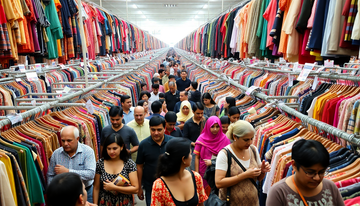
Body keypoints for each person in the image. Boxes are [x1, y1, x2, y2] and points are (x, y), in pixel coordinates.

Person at [266, 139, 345, 206]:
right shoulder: (279, 193)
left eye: (322, 172)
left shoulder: (330, 187)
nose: (317, 178)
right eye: (310, 172)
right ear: (294, 165)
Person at [215, 120, 271, 206]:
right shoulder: (225, 154)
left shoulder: (253, 150)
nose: (250, 142)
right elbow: (219, 183)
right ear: (235, 137)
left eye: (252, 138)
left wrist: (262, 171)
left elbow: (258, 178)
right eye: (246, 140)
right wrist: (244, 175)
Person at [151, 138, 208, 206]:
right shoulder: (159, 185)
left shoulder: (196, 178)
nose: (191, 156)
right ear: (183, 159)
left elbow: (201, 204)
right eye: (190, 153)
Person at [47, 126, 96, 203]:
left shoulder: (87, 152)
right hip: (63, 195)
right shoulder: (56, 154)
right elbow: (50, 175)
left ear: (77, 139)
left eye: (69, 140)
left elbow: (91, 174)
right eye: (63, 141)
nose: (66, 144)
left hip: (84, 192)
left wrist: (67, 171)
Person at [136, 116, 173, 206]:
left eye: (159, 130)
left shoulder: (172, 143)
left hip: (171, 186)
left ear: (164, 129)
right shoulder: (143, 145)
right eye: (153, 130)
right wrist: (139, 187)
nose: (156, 133)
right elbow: (139, 166)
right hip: (150, 187)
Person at [93, 134, 139, 206]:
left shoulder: (129, 164)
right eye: (109, 149)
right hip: (104, 202)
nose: (111, 152)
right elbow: (96, 188)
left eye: (114, 148)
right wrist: (95, 204)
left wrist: (114, 188)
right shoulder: (100, 163)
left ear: (121, 147)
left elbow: (135, 189)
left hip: (124, 202)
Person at [194, 116, 231, 192]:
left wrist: (213, 162)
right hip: (203, 171)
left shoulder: (225, 139)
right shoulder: (201, 139)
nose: (215, 129)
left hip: (219, 171)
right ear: (207, 127)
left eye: (217, 127)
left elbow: (228, 157)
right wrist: (197, 174)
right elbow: (197, 157)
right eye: (212, 127)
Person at [183, 102, 206, 170]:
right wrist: (193, 143)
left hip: (204, 149)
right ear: (193, 112)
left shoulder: (205, 121)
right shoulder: (188, 124)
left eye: (202, 113)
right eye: (198, 113)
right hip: (193, 150)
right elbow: (185, 138)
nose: (200, 115)